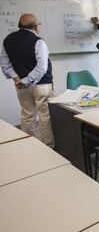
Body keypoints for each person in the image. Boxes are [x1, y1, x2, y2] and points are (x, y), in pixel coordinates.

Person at [0, 13, 54, 147]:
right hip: (42, 85)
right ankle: (48, 147)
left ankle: (31, 146)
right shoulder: (38, 41)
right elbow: (42, 67)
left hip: (21, 87)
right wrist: (27, 80)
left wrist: (18, 79)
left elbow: (5, 64)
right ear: (36, 27)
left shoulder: (8, 40)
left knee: (27, 115)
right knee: (45, 117)